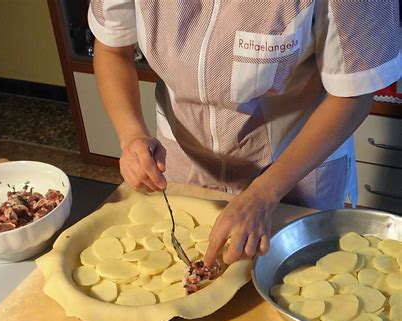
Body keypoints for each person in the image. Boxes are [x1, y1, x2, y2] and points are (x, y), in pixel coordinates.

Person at [88, 1, 401, 267]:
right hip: (183, 160)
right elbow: (113, 49)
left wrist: (265, 192)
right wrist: (131, 135)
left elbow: (353, 95)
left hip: (296, 168)